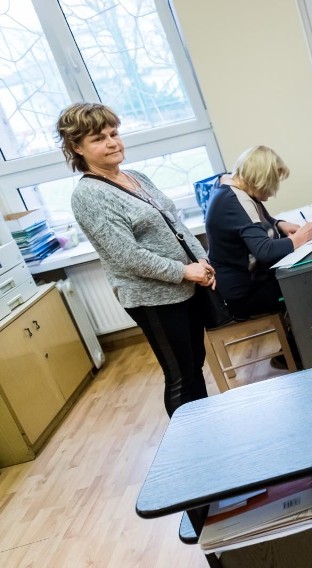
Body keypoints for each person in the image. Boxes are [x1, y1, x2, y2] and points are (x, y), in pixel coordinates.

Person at [60, 102, 214, 417]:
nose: (112, 142)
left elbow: (176, 222)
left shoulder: (136, 176)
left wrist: (202, 260)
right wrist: (186, 271)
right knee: (180, 375)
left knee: (195, 363)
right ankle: (190, 447)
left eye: (113, 133)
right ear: (77, 147)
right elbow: (127, 256)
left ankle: (206, 425)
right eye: (98, 139)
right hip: (152, 298)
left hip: (187, 286)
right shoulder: (89, 195)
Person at [204, 146, 312, 321]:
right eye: (273, 184)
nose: (273, 191)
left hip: (251, 281)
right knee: (306, 288)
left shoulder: (231, 183)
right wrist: (300, 238)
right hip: (244, 295)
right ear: (260, 181)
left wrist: (278, 224)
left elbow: (254, 220)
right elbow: (265, 251)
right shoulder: (235, 202)